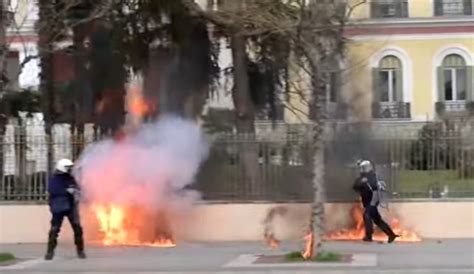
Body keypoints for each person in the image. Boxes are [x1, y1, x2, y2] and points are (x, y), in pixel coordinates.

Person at [44, 159, 86, 260]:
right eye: (68, 167)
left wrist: (76, 191)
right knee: (54, 230)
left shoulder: (70, 178)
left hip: (71, 206)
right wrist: (66, 191)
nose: (70, 169)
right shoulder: (54, 179)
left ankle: (80, 251)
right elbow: (53, 190)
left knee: (77, 229)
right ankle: (50, 252)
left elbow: (77, 188)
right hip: (59, 207)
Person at [353, 160, 399, 243]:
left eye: (365, 167)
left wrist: (364, 183)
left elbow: (376, 186)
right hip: (367, 201)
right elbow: (355, 186)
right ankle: (391, 234)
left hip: (373, 199)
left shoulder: (373, 176)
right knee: (377, 219)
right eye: (363, 168)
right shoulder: (361, 178)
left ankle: (368, 236)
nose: (364, 169)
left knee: (367, 215)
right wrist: (362, 183)